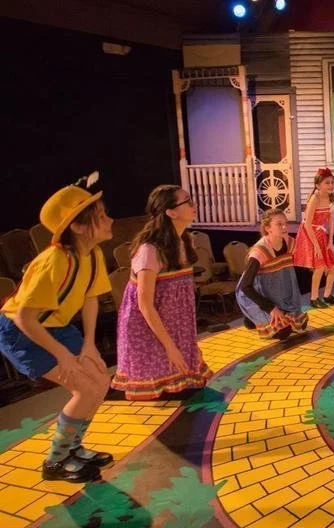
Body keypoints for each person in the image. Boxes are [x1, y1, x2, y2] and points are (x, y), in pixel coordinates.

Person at [0, 176, 114, 482]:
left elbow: (91, 298)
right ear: (77, 226)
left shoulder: (92, 254)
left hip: (56, 327)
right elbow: (24, 318)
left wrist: (89, 344)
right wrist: (63, 354)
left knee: (100, 382)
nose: (110, 220)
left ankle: (73, 448)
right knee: (84, 389)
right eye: (101, 216)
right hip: (21, 332)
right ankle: (55, 462)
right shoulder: (54, 261)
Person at [112, 185, 212, 400]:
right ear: (171, 212)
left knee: (193, 389)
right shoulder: (149, 250)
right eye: (187, 201)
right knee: (169, 395)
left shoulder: (186, 240)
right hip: (149, 327)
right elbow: (144, 304)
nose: (194, 205)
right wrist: (170, 347)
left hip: (175, 322)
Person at [236, 208, 308, 339]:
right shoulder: (260, 252)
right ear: (268, 228)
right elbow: (245, 286)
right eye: (279, 224)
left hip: (279, 294)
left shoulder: (290, 243)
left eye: (285, 223)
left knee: (301, 324)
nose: (284, 227)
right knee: (283, 332)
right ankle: (252, 317)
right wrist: (271, 308)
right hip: (260, 296)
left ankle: (262, 317)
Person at [293, 168, 334, 308]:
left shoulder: (331, 198)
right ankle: (314, 298)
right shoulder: (315, 198)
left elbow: (331, 222)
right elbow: (307, 224)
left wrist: (331, 242)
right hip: (309, 234)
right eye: (327, 183)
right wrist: (316, 246)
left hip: (320, 233)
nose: (331, 185)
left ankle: (327, 295)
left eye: (332, 182)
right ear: (318, 185)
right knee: (319, 267)